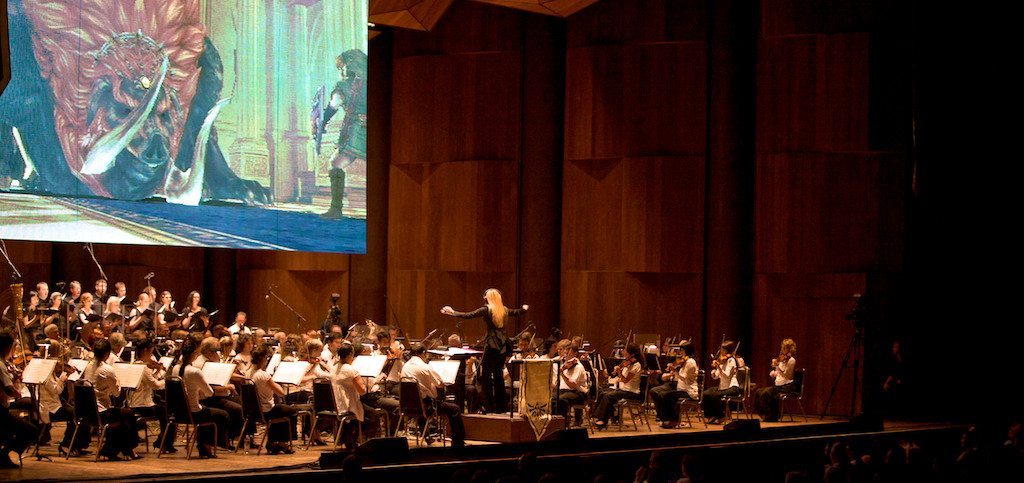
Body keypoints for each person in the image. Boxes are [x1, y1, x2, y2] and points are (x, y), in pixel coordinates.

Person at [440, 288, 528, 413]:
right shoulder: (504, 310)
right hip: (502, 345)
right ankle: (500, 407)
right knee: (498, 375)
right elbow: (517, 312)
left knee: (486, 375)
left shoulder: (486, 309)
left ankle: (489, 406)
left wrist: (453, 312)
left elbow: (468, 315)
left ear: (488, 298)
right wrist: (524, 309)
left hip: (491, 344)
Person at [83, 338, 141, 460]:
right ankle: (129, 447)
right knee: (128, 414)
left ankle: (113, 451)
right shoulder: (107, 369)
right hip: (101, 412)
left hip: (88, 411)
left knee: (121, 422)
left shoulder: (88, 366)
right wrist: (118, 382)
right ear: (107, 353)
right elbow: (116, 393)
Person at [171, 338, 229, 458]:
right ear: (194, 354)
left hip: (179, 412)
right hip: (194, 412)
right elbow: (209, 393)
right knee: (222, 415)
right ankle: (206, 445)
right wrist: (199, 390)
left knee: (207, 411)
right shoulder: (195, 371)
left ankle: (203, 445)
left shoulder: (175, 368)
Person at [400, 343, 466, 447]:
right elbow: (440, 384)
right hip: (426, 407)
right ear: (423, 353)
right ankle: (458, 442)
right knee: (455, 409)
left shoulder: (405, 366)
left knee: (422, 397)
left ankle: (426, 435)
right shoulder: (425, 367)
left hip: (407, 406)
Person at [128, 338, 176, 453]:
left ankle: (162, 442)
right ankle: (164, 443)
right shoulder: (143, 367)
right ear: (145, 351)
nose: (151, 355)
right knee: (168, 413)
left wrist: (157, 371)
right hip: (142, 405)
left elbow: (150, 381)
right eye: (151, 352)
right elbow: (156, 386)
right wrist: (166, 379)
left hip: (136, 403)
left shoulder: (135, 364)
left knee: (164, 410)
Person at [249, 347, 297, 454]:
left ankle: (273, 442)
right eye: (266, 358)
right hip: (266, 411)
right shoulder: (263, 375)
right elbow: (281, 393)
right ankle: (282, 442)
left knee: (281, 409)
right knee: (291, 411)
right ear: (263, 358)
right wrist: (275, 382)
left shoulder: (249, 373)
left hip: (255, 411)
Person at [1, 332, 38, 468]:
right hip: (1, 411)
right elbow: (9, 390)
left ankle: (3, 455)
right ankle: (3, 454)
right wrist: (18, 394)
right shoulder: (1, 365)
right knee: (31, 431)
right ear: (7, 347)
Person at [593, 344, 643, 428]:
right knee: (602, 393)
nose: (624, 353)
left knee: (609, 396)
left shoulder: (636, 365)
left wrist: (619, 372)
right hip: (623, 389)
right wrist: (612, 373)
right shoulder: (627, 363)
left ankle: (603, 420)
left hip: (631, 392)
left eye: (626, 351)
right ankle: (604, 416)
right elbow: (620, 378)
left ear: (632, 354)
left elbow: (625, 380)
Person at [655, 342, 699, 428]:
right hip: (682, 389)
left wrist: (675, 371)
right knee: (662, 394)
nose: (680, 352)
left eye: (682, 350)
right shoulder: (685, 362)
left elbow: (684, 378)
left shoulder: (690, 362)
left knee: (666, 395)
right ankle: (665, 419)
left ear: (686, 351)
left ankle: (672, 421)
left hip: (689, 391)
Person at [331, 345, 366, 450]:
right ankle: (357, 441)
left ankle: (347, 439)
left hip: (335, 404)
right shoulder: (350, 370)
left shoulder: (333, 368)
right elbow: (362, 391)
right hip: (347, 406)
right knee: (372, 415)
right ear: (350, 355)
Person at [757, 338, 797, 422]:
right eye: (782, 348)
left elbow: (787, 375)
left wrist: (777, 366)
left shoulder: (791, 360)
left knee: (767, 392)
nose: (782, 350)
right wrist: (774, 373)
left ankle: (772, 416)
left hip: (787, 386)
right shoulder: (782, 359)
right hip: (779, 386)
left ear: (790, 349)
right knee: (759, 391)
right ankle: (763, 414)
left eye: (785, 348)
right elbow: (779, 373)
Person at [702, 341, 740, 424]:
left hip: (732, 387)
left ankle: (721, 415)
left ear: (727, 351)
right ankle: (710, 415)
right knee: (706, 393)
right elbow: (716, 376)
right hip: (722, 387)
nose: (721, 352)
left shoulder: (731, 360)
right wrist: (714, 371)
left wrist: (719, 367)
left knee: (716, 395)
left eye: (723, 350)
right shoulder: (722, 361)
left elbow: (727, 376)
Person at [554, 342, 589, 423]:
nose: (566, 355)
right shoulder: (565, 364)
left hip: (578, 393)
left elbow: (572, 386)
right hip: (564, 391)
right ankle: (553, 422)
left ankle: (563, 423)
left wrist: (562, 373)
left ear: (575, 353)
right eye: (565, 352)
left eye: (568, 353)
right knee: (552, 398)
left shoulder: (578, 367)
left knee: (561, 399)